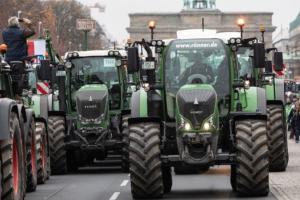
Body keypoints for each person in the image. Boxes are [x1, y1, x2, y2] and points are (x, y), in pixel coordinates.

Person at [2, 16, 35, 99]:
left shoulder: (4, 32)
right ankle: (18, 95)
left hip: (8, 59)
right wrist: (29, 24)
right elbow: (32, 32)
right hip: (20, 59)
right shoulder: (21, 32)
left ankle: (10, 94)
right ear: (17, 24)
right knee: (20, 78)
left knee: (10, 78)